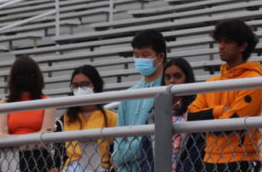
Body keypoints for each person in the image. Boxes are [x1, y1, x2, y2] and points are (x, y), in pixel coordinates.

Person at [187, 19, 262, 172]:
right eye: (219, 41)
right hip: (209, 158)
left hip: (242, 159)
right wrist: (219, 111)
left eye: (227, 42)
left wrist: (208, 118)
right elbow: (191, 117)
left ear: (243, 46)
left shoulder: (253, 80)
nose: (221, 46)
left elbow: (230, 125)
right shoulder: (211, 82)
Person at [113, 29, 168, 172]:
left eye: (145, 55)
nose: (140, 60)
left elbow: (157, 141)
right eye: (136, 55)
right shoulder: (128, 94)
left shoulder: (166, 91)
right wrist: (135, 149)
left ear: (160, 56)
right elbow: (117, 154)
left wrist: (126, 152)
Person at [139, 57, 205, 172]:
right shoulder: (154, 114)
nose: (171, 81)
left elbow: (196, 152)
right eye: (167, 77)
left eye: (177, 76)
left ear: (187, 79)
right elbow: (146, 153)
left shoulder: (196, 110)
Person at [0, 56, 57, 172]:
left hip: (39, 159)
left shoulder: (47, 102)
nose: (25, 79)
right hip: (11, 159)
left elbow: (45, 136)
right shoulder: (5, 102)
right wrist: (33, 139)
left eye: (29, 74)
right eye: (20, 75)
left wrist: (12, 140)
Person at [53, 65, 118, 172]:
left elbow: (115, 152)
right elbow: (58, 153)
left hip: (100, 167)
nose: (79, 89)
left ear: (95, 85)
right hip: (72, 168)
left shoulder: (111, 117)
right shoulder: (66, 118)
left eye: (85, 84)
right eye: (75, 85)